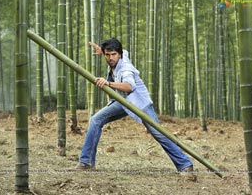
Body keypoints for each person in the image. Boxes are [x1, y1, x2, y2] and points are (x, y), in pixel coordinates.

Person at [76, 38, 194, 173]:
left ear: (119, 54)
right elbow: (123, 51)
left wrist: (108, 83)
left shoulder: (125, 68)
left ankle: (185, 165)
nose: (110, 58)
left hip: (139, 103)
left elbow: (129, 86)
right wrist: (101, 51)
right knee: (96, 120)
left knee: (158, 133)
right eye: (107, 55)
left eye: (113, 54)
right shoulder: (118, 56)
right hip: (122, 102)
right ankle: (87, 162)